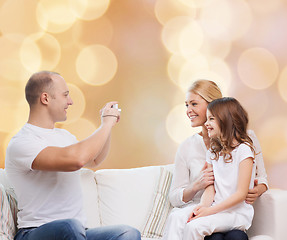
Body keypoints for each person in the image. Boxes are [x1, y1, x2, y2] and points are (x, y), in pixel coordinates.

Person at [5, 71, 141, 240]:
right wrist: (106, 125)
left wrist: (107, 125)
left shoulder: (65, 137)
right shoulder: (22, 143)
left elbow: (94, 159)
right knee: (70, 226)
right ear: (45, 98)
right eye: (65, 95)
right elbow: (76, 160)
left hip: (77, 233)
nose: (70, 101)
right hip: (35, 232)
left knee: (128, 233)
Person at [162, 80, 268, 240]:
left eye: (194, 104)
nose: (188, 111)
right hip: (208, 209)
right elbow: (179, 196)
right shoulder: (205, 150)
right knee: (179, 218)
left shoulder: (246, 143)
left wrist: (255, 190)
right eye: (186, 105)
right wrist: (196, 189)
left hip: (230, 212)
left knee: (235, 237)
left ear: (216, 108)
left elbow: (260, 180)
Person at [184, 97, 256, 239]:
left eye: (211, 119)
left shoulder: (244, 150)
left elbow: (241, 194)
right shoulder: (212, 152)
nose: (206, 124)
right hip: (217, 212)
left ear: (225, 121)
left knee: (193, 227)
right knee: (183, 220)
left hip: (236, 214)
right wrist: (202, 207)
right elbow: (211, 189)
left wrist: (209, 211)